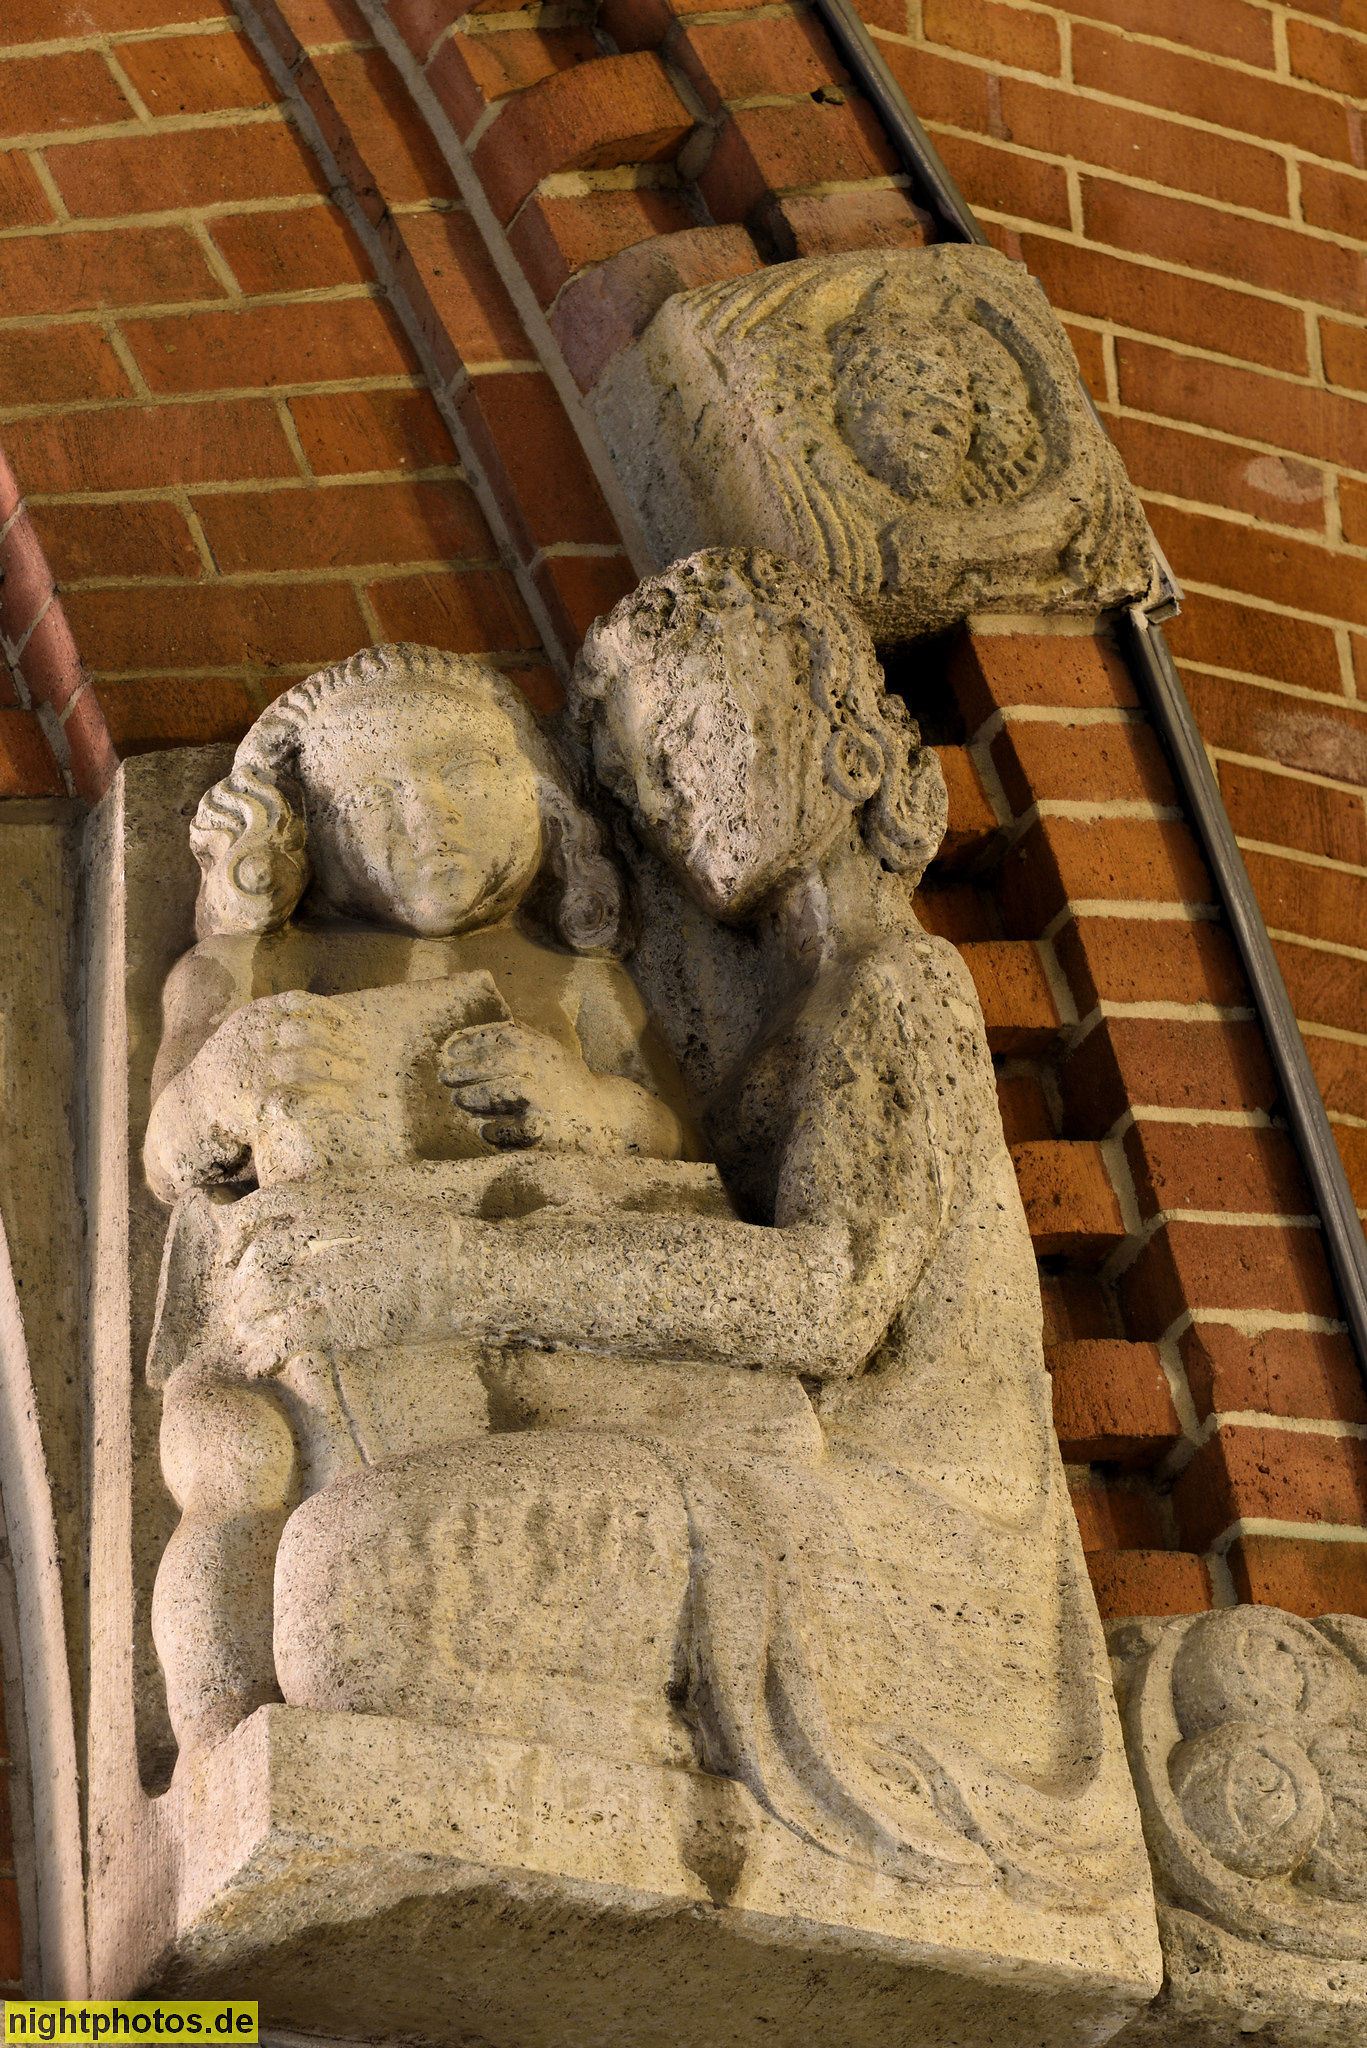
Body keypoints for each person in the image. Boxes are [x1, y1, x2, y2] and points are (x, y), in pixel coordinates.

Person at [220, 554, 1143, 1912]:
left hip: (886, 1550)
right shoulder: (760, 1039)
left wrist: (453, 1274)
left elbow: (823, 1297)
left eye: (696, 733)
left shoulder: (903, 987)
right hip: (747, 1478)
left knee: (347, 1593)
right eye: (643, 777)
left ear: (835, 728)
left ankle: (677, 1784)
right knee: (316, 1585)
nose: (671, 796)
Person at [145, 641, 707, 1766]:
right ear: (305, 830)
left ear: (537, 793)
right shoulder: (255, 967)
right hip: (269, 1325)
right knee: (234, 1458)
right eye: (373, 797)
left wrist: (589, 1106)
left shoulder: (580, 982)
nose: (426, 816)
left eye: (460, 773)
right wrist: (221, 1079)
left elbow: (674, 1148)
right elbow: (169, 1152)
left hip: (495, 1304)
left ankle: (516, 1681)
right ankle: (229, 1744)